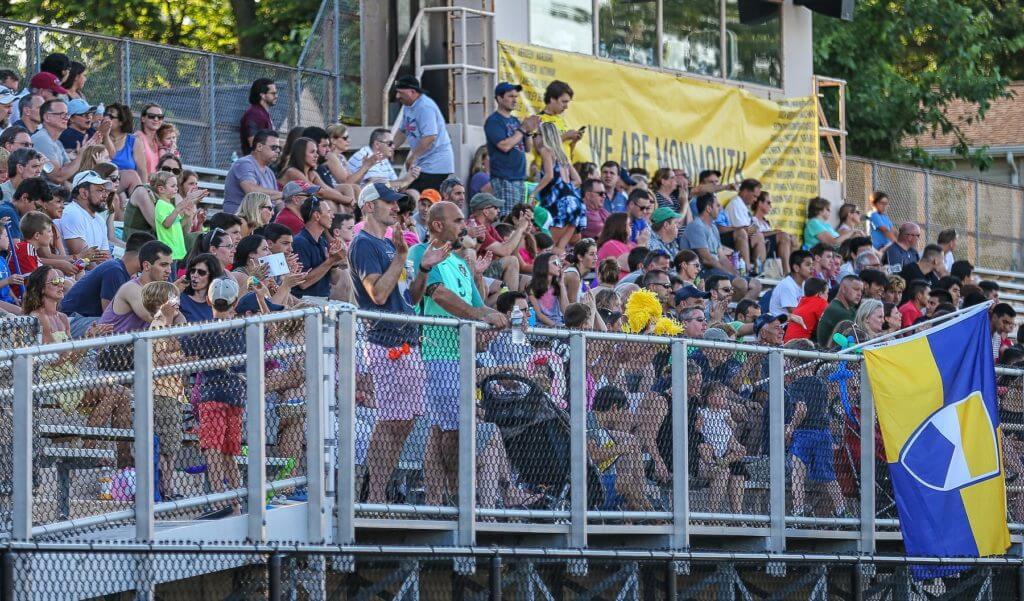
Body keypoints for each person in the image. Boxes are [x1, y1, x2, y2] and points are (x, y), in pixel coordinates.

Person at [349, 182, 448, 503]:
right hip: (385, 340)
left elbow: (412, 297)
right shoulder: (364, 243)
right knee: (391, 421)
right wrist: (402, 257)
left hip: (407, 338)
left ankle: (378, 492)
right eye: (388, 202)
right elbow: (377, 294)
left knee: (403, 422)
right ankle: (374, 495)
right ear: (368, 207)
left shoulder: (391, 245)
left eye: (396, 203)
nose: (395, 207)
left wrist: (421, 268)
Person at [408, 201, 509, 505]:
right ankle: (454, 493)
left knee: (446, 429)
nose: (463, 226)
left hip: (463, 356)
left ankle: (440, 499)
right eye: (458, 220)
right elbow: (436, 293)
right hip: (437, 353)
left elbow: (480, 305)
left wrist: (511, 319)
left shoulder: (461, 264)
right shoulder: (420, 254)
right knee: (450, 430)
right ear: (437, 225)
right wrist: (479, 315)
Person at [23, 265, 133, 467]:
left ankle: (124, 459)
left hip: (69, 374)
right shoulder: (37, 319)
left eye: (61, 279)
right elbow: (54, 360)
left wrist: (87, 341)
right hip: (49, 379)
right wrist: (86, 341)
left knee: (123, 394)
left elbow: (70, 359)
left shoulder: (63, 317)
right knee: (114, 392)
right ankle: (87, 451)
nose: (60, 285)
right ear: (40, 289)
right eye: (54, 281)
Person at [61, 232, 155, 337]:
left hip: (87, 320)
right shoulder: (114, 270)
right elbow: (111, 317)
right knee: (120, 326)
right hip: (71, 322)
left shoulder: (122, 271)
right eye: (152, 258)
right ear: (141, 256)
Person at [683, 193, 755, 302]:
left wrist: (735, 272)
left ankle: (741, 311)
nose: (720, 208)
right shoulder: (696, 226)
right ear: (708, 208)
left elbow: (722, 257)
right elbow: (707, 259)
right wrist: (728, 273)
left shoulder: (713, 228)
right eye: (717, 205)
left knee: (756, 284)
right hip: (703, 272)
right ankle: (729, 310)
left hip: (715, 270)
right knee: (741, 285)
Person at [485, 82, 540, 214]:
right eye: (510, 96)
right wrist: (522, 129)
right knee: (508, 218)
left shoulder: (515, 121)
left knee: (518, 218)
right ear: (499, 98)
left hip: (519, 178)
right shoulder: (494, 121)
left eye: (516, 96)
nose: (515, 100)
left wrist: (529, 131)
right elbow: (504, 146)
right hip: (504, 179)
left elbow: (527, 148)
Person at [392, 75, 455, 192]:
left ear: (412, 92)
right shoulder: (408, 106)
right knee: (411, 194)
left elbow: (430, 137)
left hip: (436, 164)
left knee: (415, 195)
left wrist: (413, 157)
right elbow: (403, 131)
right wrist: (391, 147)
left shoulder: (425, 107)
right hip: (423, 163)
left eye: (400, 93)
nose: (397, 96)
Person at [96, 240, 174, 333]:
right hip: (108, 346)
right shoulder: (131, 288)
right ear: (147, 266)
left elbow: (178, 316)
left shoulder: (160, 291)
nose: (169, 271)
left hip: (133, 346)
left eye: (170, 265)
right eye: (164, 265)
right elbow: (152, 317)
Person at [531, 121, 584, 252]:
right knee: (560, 248)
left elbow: (549, 176)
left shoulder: (546, 151)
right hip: (575, 203)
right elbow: (578, 180)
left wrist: (534, 192)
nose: (534, 139)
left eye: (536, 135)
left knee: (547, 247)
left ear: (544, 136)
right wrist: (565, 188)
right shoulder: (562, 154)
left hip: (559, 204)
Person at [291, 196, 348, 300]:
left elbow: (334, 281)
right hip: (304, 303)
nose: (332, 216)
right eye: (329, 212)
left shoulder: (322, 241)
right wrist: (331, 261)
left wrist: (335, 263)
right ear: (317, 215)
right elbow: (303, 283)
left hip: (321, 300)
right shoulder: (299, 242)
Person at [469, 192, 529, 292]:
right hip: (476, 272)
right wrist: (520, 229)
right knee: (511, 261)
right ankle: (511, 303)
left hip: (484, 269)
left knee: (528, 280)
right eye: (496, 208)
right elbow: (505, 251)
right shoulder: (476, 226)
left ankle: (520, 305)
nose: (499, 210)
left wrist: (520, 230)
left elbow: (510, 249)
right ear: (486, 211)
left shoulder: (489, 227)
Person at [32, 98, 95, 185]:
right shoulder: (42, 139)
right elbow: (58, 177)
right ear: (47, 117)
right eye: (61, 114)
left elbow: (71, 176)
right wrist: (81, 155)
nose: (66, 118)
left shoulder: (57, 143)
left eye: (67, 114)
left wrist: (89, 157)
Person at [278, 137, 349, 210]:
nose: (316, 155)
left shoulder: (311, 173)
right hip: (284, 208)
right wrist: (348, 200)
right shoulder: (292, 172)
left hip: (301, 205)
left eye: (316, 152)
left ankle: (349, 219)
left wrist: (345, 200)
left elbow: (327, 189)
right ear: (301, 154)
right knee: (328, 203)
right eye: (312, 152)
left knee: (339, 199)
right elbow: (319, 192)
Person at [59, 170, 115, 262]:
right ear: (83, 193)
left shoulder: (99, 219)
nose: (105, 195)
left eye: (105, 191)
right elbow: (85, 261)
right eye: (100, 190)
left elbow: (105, 258)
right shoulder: (72, 213)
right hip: (77, 273)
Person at [223, 129, 282, 214]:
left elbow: (278, 201)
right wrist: (283, 194)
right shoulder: (244, 164)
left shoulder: (270, 172)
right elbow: (252, 191)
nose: (278, 151)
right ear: (259, 147)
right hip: (239, 220)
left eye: (279, 148)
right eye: (274, 147)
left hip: (261, 220)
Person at [346, 128, 417, 191]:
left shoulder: (383, 158)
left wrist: (410, 177)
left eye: (393, 143)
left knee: (413, 193)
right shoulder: (365, 155)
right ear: (377, 144)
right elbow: (376, 186)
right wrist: (405, 181)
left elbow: (396, 187)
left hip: (378, 196)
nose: (393, 146)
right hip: (363, 199)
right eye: (390, 143)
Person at [719, 179, 766, 274]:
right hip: (732, 238)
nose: (755, 200)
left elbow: (750, 229)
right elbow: (744, 230)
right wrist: (756, 229)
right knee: (757, 235)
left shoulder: (743, 206)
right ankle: (747, 270)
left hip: (743, 236)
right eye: (754, 196)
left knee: (760, 235)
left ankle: (759, 271)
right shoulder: (735, 204)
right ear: (745, 191)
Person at [815, 275, 863, 347]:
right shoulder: (838, 311)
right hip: (830, 355)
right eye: (856, 289)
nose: (859, 294)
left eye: (861, 291)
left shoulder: (848, 309)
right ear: (843, 289)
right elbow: (860, 338)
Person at [783, 277, 829, 342]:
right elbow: (829, 325)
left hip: (787, 343)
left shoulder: (802, 301)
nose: (828, 296)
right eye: (827, 293)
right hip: (801, 345)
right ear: (820, 294)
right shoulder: (820, 302)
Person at [240, 78, 277, 155]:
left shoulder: (263, 113)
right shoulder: (254, 114)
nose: (276, 96)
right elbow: (253, 142)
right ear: (263, 95)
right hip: (254, 163)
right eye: (273, 93)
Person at [134, 103, 164, 180]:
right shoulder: (138, 137)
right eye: (151, 116)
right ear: (143, 119)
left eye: (160, 117)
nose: (156, 119)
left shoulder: (159, 141)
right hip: (141, 185)